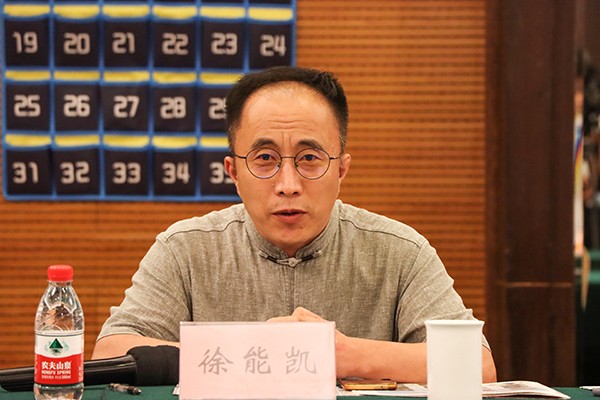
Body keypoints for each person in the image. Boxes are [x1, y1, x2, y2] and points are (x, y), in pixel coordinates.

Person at [92, 66, 497, 383]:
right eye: (265, 159)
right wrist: (256, 350)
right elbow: (111, 353)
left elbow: (477, 365)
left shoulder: (399, 251)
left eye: (310, 159)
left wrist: (343, 354)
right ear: (233, 172)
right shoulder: (185, 249)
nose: (288, 185)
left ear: (341, 169)